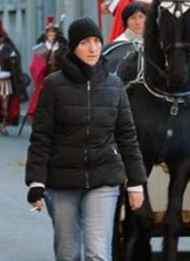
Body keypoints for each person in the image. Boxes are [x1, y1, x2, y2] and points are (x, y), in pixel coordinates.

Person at [26, 17, 147, 260]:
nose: (93, 48)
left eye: (96, 41)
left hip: (103, 177)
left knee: (97, 253)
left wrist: (136, 182)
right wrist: (36, 181)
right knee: (68, 253)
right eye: (85, 43)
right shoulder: (54, 85)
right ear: (73, 47)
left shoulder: (114, 85)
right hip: (61, 181)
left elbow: (127, 137)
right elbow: (41, 136)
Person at [27, 16, 68, 119]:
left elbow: (67, 64)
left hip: (59, 80)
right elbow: (34, 67)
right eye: (49, 33)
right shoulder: (40, 49)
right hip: (44, 81)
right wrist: (42, 68)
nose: (51, 35)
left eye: (53, 33)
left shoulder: (63, 49)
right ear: (46, 35)